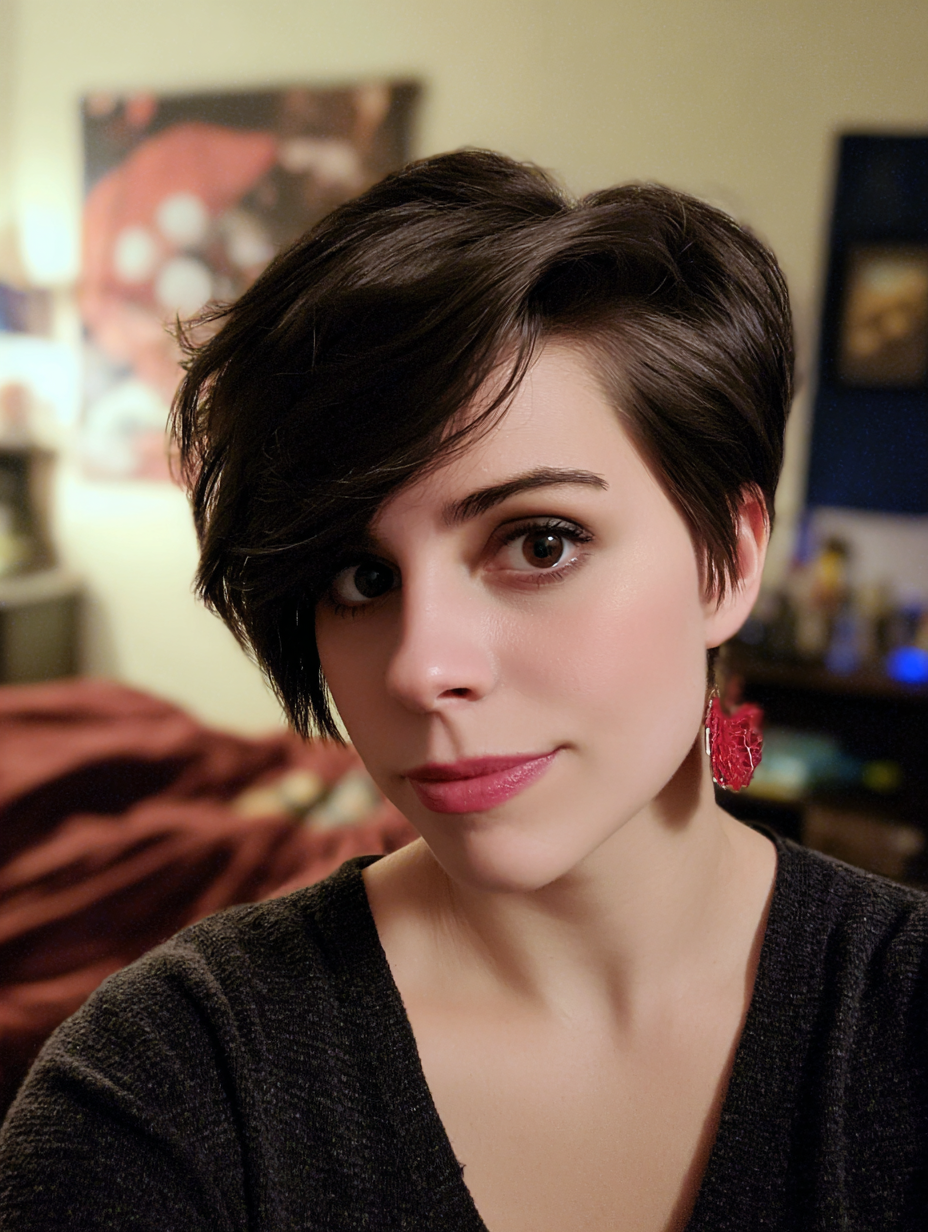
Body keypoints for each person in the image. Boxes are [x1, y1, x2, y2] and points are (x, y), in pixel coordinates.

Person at [1, 149, 926, 1231]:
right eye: (361, 577)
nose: (420, 667)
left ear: (726, 559)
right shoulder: (164, 1088)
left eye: (540, 542)